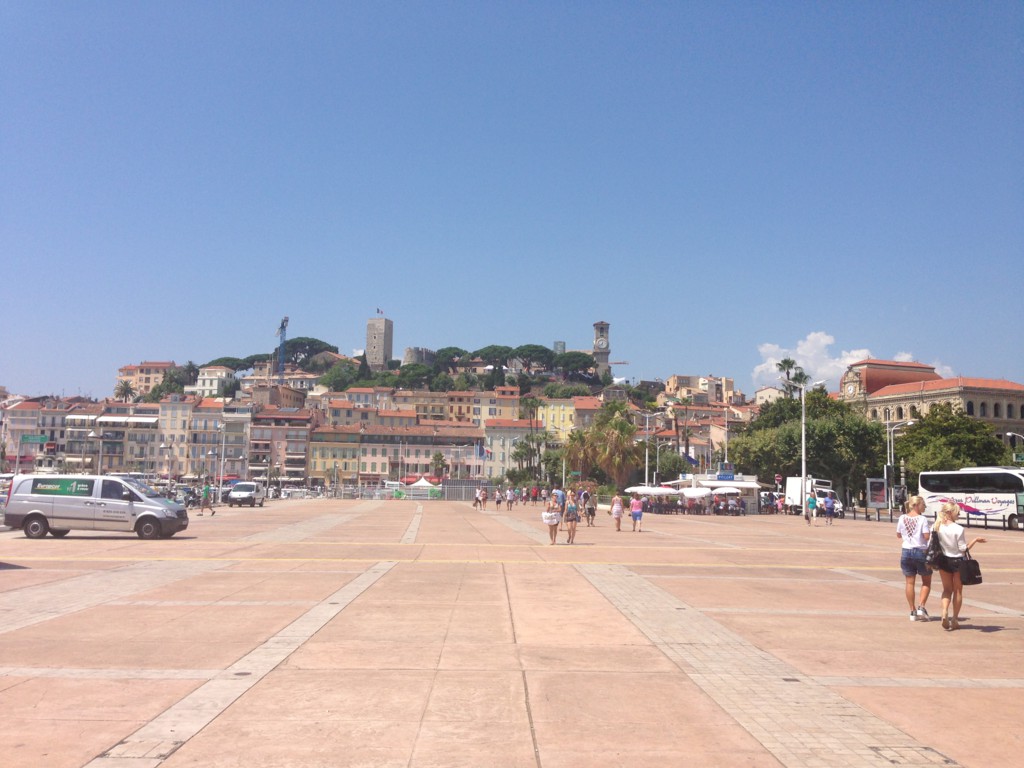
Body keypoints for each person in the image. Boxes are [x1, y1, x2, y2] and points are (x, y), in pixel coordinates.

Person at [933, 501, 986, 631]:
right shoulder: (958, 528)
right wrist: (975, 540)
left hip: (943, 560)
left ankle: (944, 611)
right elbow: (963, 549)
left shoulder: (937, 526)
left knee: (946, 589)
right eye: (957, 512)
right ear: (950, 513)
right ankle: (955, 619)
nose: (959, 515)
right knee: (958, 591)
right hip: (957, 561)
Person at [896, 495, 932, 621]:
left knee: (909, 582)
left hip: (906, 551)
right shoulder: (922, 519)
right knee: (926, 581)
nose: (924, 507)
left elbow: (898, 535)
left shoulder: (902, 518)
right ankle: (921, 607)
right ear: (916, 505)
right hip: (920, 551)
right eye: (923, 505)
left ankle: (912, 611)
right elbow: (926, 536)